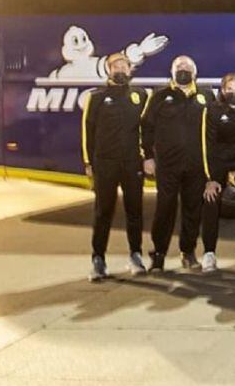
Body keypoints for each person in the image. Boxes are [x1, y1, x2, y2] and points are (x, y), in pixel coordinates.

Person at [142, 55, 214, 273]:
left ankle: (188, 252)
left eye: (187, 66)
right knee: (165, 209)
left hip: (196, 165)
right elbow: (146, 127)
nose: (183, 69)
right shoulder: (159, 96)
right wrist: (148, 157)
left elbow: (215, 128)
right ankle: (159, 255)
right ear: (171, 71)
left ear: (195, 72)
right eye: (178, 66)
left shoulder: (206, 95)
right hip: (168, 165)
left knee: (193, 210)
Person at [82, 52, 148, 280]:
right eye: (115, 66)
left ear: (130, 69)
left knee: (135, 211)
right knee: (103, 212)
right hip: (105, 164)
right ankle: (98, 259)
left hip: (132, 163)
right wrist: (89, 163)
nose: (120, 69)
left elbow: (146, 130)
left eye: (124, 65)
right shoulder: (97, 97)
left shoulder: (140, 95)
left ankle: (136, 255)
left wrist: (147, 157)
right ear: (108, 70)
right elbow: (87, 132)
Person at [199, 72, 235, 273]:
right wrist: (210, 179)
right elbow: (208, 145)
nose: (233, 93)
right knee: (211, 200)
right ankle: (209, 253)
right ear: (222, 91)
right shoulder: (212, 110)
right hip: (218, 160)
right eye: (229, 89)